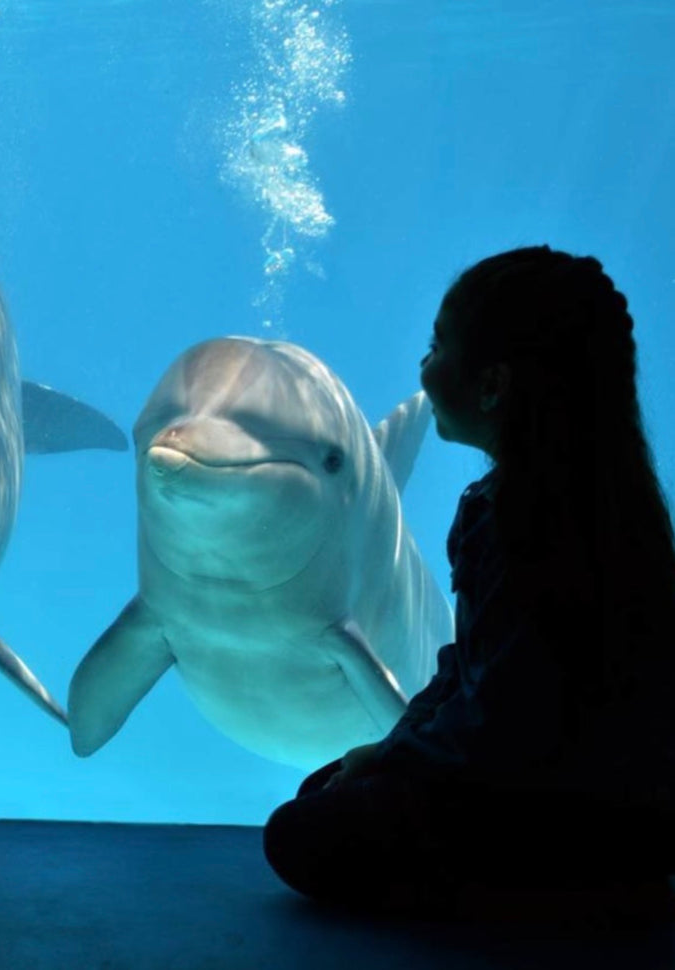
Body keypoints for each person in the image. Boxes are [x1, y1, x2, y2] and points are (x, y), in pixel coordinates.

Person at [263, 245, 675, 921]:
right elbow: (471, 673)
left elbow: (505, 712)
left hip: (544, 804)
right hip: (634, 813)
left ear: (492, 387)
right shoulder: (604, 506)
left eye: (436, 346)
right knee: (330, 783)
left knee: (297, 831)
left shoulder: (518, 518)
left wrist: (399, 759)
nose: (422, 368)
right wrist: (391, 751)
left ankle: (542, 894)